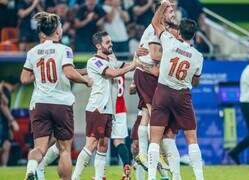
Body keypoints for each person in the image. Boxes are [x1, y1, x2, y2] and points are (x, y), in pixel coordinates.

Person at [20, 12, 92, 180]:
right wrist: (86, 81)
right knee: (64, 150)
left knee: (39, 148)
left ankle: (31, 170)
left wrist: (39, 76)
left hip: (39, 103)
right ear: (57, 31)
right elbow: (68, 73)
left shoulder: (33, 51)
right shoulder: (64, 50)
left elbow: (24, 79)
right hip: (61, 103)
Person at [71, 31, 139, 180]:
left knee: (103, 145)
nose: (111, 44)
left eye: (110, 41)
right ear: (98, 45)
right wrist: (132, 65)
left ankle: (99, 177)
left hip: (109, 110)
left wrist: (137, 58)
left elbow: (122, 67)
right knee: (91, 144)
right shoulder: (94, 61)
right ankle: (75, 177)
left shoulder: (108, 60)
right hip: (97, 108)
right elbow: (112, 73)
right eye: (107, 42)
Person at [148, 1, 204, 180]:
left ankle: (150, 177)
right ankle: (199, 177)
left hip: (163, 92)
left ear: (179, 32)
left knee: (155, 139)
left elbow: (155, 23)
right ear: (193, 35)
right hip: (182, 96)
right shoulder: (198, 56)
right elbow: (195, 82)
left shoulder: (170, 41)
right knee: (192, 140)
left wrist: (163, 6)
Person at [133, 2, 181, 178]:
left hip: (145, 73)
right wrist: (175, 54)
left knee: (146, 113)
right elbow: (153, 55)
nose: (173, 13)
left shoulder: (157, 29)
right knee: (155, 115)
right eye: (170, 11)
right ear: (161, 13)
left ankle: (147, 154)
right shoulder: (155, 29)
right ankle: (147, 154)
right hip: (148, 74)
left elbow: (141, 50)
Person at [0, 79, 20, 167]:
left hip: (4, 123)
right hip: (1, 123)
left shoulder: (4, 91)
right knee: (4, 145)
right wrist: (12, 121)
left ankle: (4, 167)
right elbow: (3, 106)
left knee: (7, 144)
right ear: (16, 85)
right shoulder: (5, 91)